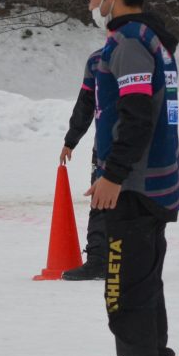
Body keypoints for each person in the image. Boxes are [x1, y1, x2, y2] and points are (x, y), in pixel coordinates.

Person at [82, 0, 179, 356]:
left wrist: (114, 175)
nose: (90, 2)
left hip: (136, 191)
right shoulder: (148, 38)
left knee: (124, 298)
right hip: (150, 188)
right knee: (145, 291)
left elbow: (137, 116)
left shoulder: (130, 43)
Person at [59, 47, 108, 281]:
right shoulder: (97, 60)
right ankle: (98, 261)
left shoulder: (145, 55)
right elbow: (85, 104)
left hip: (138, 149)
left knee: (134, 204)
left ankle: (135, 261)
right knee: (100, 202)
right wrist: (71, 140)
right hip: (104, 149)